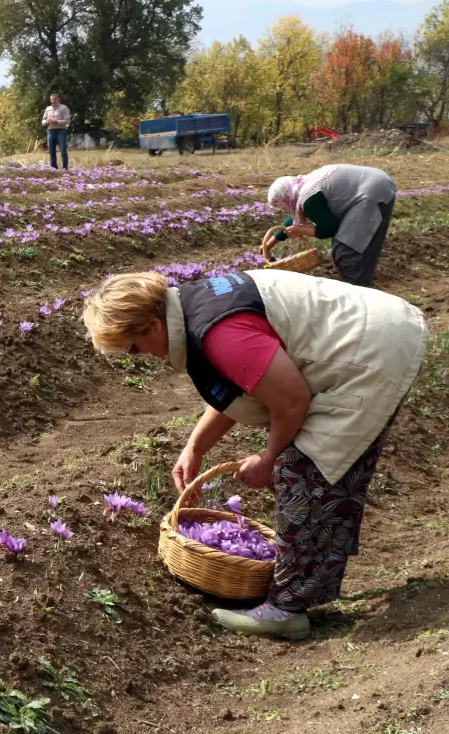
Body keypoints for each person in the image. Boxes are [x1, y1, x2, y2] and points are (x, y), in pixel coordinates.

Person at [81, 269, 426, 640]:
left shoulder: (220, 334)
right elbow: (248, 382)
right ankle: (313, 569)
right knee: (323, 468)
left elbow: (290, 400)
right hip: (376, 332)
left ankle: (286, 610)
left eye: (133, 348)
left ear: (152, 325)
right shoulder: (197, 308)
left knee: (302, 469)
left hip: (370, 352)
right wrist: (195, 447)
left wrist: (268, 459)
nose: (138, 357)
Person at [264, 164, 397, 287]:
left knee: (346, 249)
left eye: (282, 204)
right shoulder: (303, 187)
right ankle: (361, 288)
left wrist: (301, 230)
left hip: (372, 192)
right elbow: (293, 221)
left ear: (286, 198)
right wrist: (270, 243)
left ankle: (356, 291)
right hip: (378, 183)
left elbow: (330, 229)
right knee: (362, 246)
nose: (284, 208)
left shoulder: (309, 199)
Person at [41, 94, 70, 170]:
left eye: (55, 99)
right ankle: (54, 169)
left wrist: (57, 122)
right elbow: (43, 121)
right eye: (52, 100)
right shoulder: (48, 109)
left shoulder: (64, 108)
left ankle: (65, 168)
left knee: (63, 151)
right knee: (51, 152)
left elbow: (67, 121)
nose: (53, 101)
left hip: (61, 131)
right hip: (50, 131)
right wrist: (46, 122)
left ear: (58, 99)